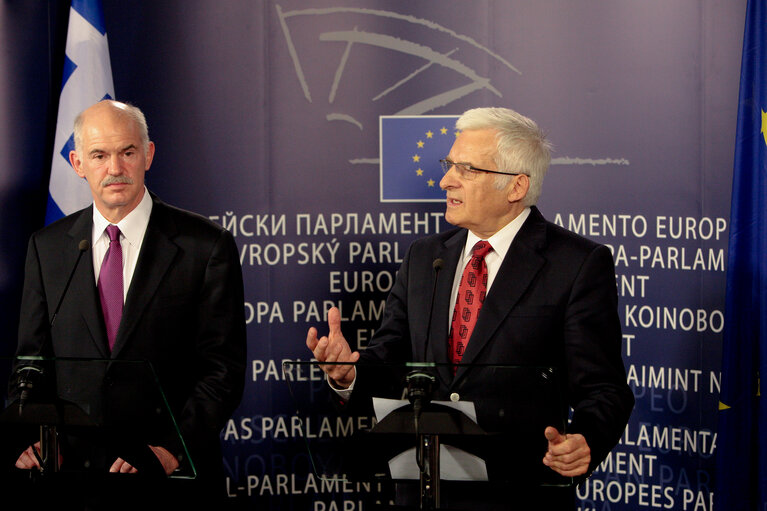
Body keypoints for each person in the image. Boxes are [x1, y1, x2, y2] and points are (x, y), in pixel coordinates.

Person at [307, 107, 634, 509]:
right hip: (425, 491)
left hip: (518, 494)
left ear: (516, 186)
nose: (446, 180)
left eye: (467, 169)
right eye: (449, 165)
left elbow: (604, 389)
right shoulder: (424, 257)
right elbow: (391, 359)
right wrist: (349, 373)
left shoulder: (576, 264)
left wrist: (585, 440)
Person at [10, 100, 246, 504]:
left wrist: (172, 448)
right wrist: (32, 438)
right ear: (77, 163)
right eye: (99, 155)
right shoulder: (46, 249)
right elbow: (31, 363)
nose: (114, 168)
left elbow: (222, 370)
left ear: (148, 155)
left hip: (169, 477)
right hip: (72, 477)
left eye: (128, 152)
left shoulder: (205, 246)